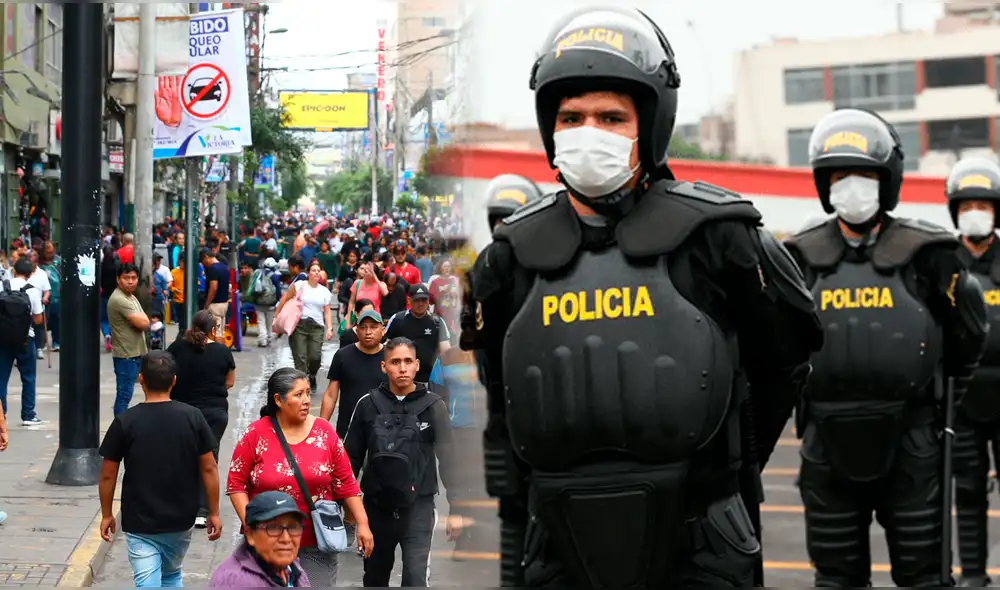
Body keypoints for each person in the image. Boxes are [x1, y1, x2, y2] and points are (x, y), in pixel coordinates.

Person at [461, 7, 823, 587]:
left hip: (701, 540)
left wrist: (726, 464)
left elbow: (782, 362)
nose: (588, 133)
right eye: (571, 117)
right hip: (559, 541)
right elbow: (503, 388)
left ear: (650, 124)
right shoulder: (509, 256)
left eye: (611, 117)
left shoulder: (718, 236)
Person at [783, 108, 989, 587]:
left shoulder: (928, 255)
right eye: (839, 176)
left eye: (863, 175)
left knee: (924, 576)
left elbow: (967, 338)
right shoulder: (798, 258)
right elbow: (775, 349)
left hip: (912, 442)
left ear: (886, 180)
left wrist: (940, 408)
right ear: (823, 183)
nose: (851, 187)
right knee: (836, 577)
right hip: (826, 445)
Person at [227, 367, 374, 586]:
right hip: (268, 541)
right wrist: (250, 526)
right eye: (299, 394)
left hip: (315, 540)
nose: (307, 400)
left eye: (307, 392)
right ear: (278, 399)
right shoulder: (256, 434)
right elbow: (236, 484)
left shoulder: (324, 432)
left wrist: (362, 523)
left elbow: (347, 484)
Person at [343, 337, 466, 587]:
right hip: (376, 508)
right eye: (395, 362)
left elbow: (450, 460)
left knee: (415, 578)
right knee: (375, 578)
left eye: (408, 361)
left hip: (418, 508)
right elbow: (349, 461)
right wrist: (348, 510)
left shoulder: (434, 406)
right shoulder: (368, 404)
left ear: (417, 365)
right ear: (384, 366)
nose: (402, 368)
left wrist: (457, 508)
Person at [98, 351, 222, 587]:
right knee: (171, 575)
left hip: (139, 521)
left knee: (148, 582)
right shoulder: (193, 417)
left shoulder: (126, 421)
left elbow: (107, 473)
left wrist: (106, 514)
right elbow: (209, 469)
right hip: (181, 519)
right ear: (174, 380)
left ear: (141, 379)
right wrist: (213, 512)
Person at [942, 156, 1000, 586]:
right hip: (961, 402)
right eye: (966, 205)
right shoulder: (943, 263)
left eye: (983, 204)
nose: (974, 213)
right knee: (966, 492)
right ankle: (974, 576)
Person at [167, 310, 236, 529]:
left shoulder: (177, 348)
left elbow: (166, 372)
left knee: (183, 456)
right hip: (214, 413)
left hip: (182, 412)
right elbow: (230, 382)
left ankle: (181, 504)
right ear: (213, 330)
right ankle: (203, 510)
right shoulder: (223, 352)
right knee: (209, 460)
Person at [209, 491, 312, 587]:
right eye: (274, 528)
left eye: (293, 527)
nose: (286, 539)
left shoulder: (291, 568)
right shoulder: (234, 582)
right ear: (250, 535)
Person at [320, 309, 386, 439]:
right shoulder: (343, 355)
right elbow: (331, 395)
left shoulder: (392, 357)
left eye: (373, 327)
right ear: (357, 330)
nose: (368, 332)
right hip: (348, 429)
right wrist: (321, 429)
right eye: (363, 327)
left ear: (382, 330)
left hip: (384, 431)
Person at [275, 260, 334, 391]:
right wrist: (276, 315)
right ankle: (302, 385)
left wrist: (329, 328)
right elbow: (285, 298)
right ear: (308, 273)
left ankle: (312, 375)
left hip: (316, 327)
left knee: (315, 357)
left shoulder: (324, 291)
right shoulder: (299, 285)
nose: (316, 273)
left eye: (319, 271)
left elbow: (327, 311)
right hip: (299, 325)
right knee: (300, 357)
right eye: (313, 270)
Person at [0, 257, 43, 426]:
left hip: (3, 339)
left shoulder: (3, 286)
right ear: (31, 273)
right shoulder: (32, 290)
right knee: (28, 377)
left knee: (2, 378)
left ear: (14, 270)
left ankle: (1, 414)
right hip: (26, 339)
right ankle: (28, 414)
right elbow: (38, 319)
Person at [385, 283, 451, 385]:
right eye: (416, 300)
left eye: (424, 300)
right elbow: (386, 348)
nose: (420, 304)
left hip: (430, 380)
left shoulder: (437, 322)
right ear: (409, 300)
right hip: (401, 379)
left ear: (428, 301)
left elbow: (446, 352)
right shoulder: (397, 320)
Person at [107, 263, 150, 417]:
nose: (130, 281)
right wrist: (141, 320)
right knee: (124, 396)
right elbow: (144, 323)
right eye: (126, 278)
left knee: (126, 395)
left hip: (133, 353)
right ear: (118, 280)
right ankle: (120, 431)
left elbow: (144, 320)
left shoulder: (131, 297)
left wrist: (142, 320)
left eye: (133, 278)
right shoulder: (119, 299)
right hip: (126, 355)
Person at [201, 249, 231, 344]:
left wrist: (207, 304)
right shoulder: (224, 267)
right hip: (224, 304)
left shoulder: (212, 269)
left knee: (214, 333)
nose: (204, 264)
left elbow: (213, 287)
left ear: (206, 257)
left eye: (203, 261)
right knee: (220, 332)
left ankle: (217, 354)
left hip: (215, 305)